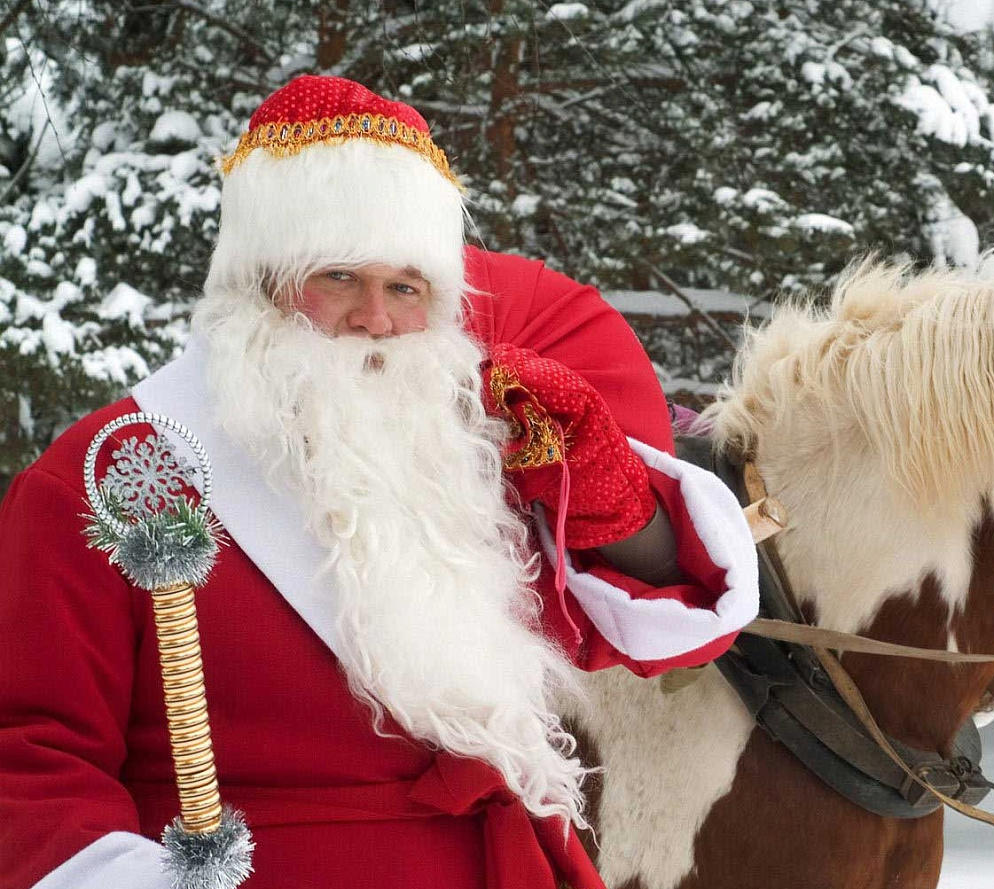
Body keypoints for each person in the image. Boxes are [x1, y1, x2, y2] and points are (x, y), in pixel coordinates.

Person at [0, 75, 758, 889]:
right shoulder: (113, 476)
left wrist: (612, 500)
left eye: (405, 287)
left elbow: (667, 632)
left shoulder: (454, 463)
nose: (376, 317)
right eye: (337, 278)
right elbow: (28, 761)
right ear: (260, 280)